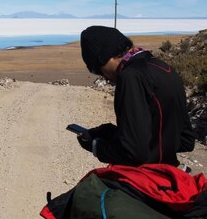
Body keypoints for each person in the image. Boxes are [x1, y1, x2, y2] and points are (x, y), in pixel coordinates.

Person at [78, 25, 195, 166]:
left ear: (105, 57)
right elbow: (185, 140)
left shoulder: (130, 77)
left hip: (148, 176)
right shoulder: (163, 67)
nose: (105, 77)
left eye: (98, 70)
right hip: (170, 171)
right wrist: (115, 133)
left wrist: (96, 146)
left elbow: (134, 153)